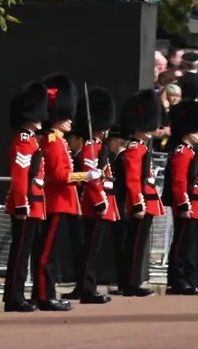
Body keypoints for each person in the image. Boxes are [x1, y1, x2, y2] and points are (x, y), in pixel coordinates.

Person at [34, 76, 84, 312]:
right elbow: (60, 176)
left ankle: (46, 293)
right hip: (55, 203)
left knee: (51, 253)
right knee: (47, 254)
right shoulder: (53, 142)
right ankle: (45, 296)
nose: (70, 121)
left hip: (61, 203)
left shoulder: (59, 142)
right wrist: (87, 176)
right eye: (66, 118)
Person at [66, 87, 115, 305]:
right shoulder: (92, 147)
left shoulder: (97, 146)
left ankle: (84, 286)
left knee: (89, 249)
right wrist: (100, 201)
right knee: (90, 250)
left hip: (96, 202)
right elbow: (91, 177)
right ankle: (87, 288)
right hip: (93, 204)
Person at [1, 82, 47, 314]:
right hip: (25, 204)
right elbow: (20, 177)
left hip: (32, 203)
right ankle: (13, 297)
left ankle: (17, 294)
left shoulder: (31, 140)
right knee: (19, 252)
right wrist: (21, 204)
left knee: (23, 252)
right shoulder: (23, 140)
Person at [114, 88, 162, 298]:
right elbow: (133, 179)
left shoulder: (141, 147)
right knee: (135, 246)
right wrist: (137, 203)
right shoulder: (135, 148)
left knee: (137, 245)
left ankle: (130, 281)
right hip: (140, 202)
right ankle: (131, 283)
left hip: (145, 200)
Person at [163, 100, 198, 293]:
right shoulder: (181, 152)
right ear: (187, 132)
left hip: (197, 205)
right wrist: (184, 204)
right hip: (187, 205)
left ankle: (190, 280)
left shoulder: (191, 151)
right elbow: (179, 182)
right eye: (195, 131)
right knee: (182, 245)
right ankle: (178, 281)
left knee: (192, 245)